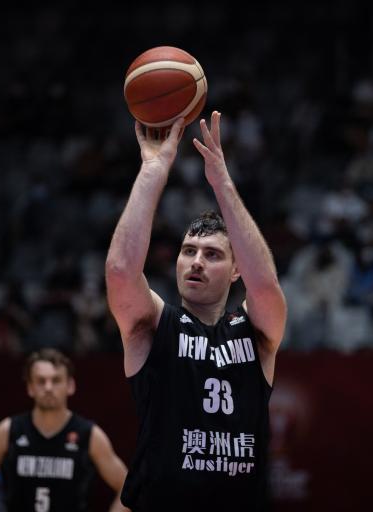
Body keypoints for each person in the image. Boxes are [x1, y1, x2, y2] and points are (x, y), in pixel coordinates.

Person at [105, 112, 287, 511]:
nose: (196, 261)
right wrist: (154, 169)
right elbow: (120, 271)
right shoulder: (156, 326)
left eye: (213, 254)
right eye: (189, 251)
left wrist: (221, 182)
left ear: (237, 269)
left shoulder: (254, 332)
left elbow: (266, 286)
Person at [0, 348, 129, 512]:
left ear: (70, 386)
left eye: (56, 380)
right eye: (41, 381)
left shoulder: (90, 434)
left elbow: (128, 488)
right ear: (30, 387)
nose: (48, 387)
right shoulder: (8, 430)